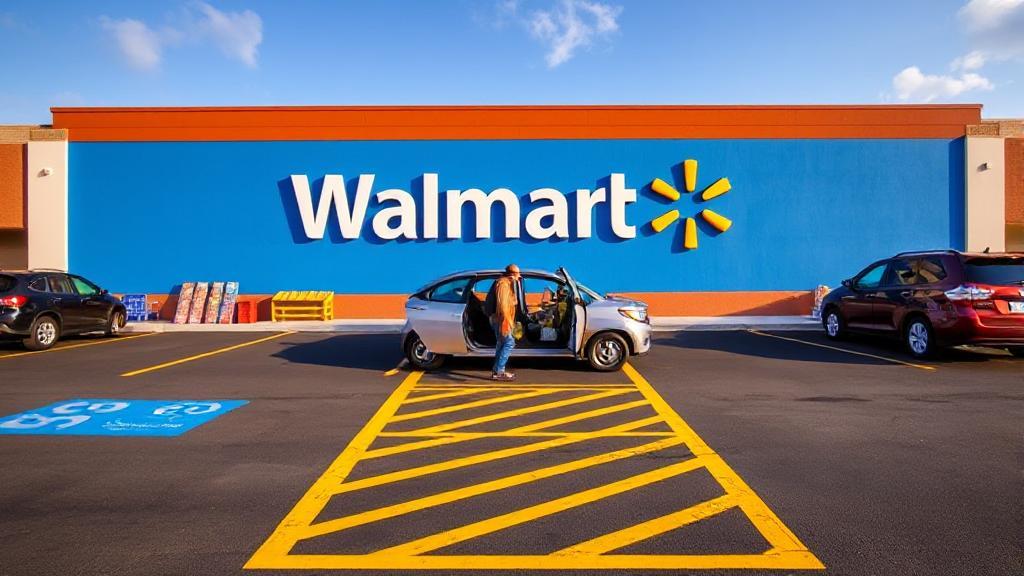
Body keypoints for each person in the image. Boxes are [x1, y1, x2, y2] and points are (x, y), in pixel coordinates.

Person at [485, 264, 520, 381]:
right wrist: (507, 322)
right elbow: (503, 306)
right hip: (501, 319)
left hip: (498, 318)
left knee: (501, 343)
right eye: (517, 274)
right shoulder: (503, 285)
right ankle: (500, 372)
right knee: (510, 342)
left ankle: (496, 371)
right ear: (512, 274)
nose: (519, 276)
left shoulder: (506, 283)